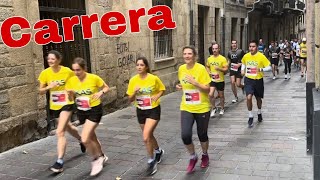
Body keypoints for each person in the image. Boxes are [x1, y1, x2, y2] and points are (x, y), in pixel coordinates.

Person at [38, 50, 85, 173]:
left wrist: (72, 92)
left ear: (59, 60)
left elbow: (77, 82)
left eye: (53, 59)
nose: (50, 61)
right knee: (68, 127)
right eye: (48, 59)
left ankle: (59, 162)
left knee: (60, 132)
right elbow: (41, 91)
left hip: (67, 103)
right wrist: (49, 87)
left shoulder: (67, 71)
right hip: (55, 106)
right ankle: (81, 140)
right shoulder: (45, 73)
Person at [66, 57, 109, 176]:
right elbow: (70, 99)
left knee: (85, 138)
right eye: (74, 70)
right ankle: (102, 156)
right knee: (92, 137)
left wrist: (101, 92)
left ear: (84, 68)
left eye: (78, 70)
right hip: (81, 111)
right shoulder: (71, 81)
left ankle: (96, 159)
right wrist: (70, 94)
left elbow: (106, 87)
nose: (76, 73)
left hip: (94, 110)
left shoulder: (93, 78)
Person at [126, 57, 165, 175]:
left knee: (145, 136)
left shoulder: (154, 78)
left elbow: (162, 89)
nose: (139, 67)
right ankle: (158, 151)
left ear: (146, 67)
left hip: (153, 109)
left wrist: (157, 96)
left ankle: (151, 161)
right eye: (137, 65)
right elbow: (130, 99)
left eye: (141, 65)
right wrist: (134, 92)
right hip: (141, 110)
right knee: (149, 135)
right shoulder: (133, 80)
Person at [176, 46, 211, 173]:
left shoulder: (201, 69)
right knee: (185, 135)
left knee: (202, 134)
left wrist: (195, 83)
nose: (186, 56)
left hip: (202, 107)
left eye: (189, 53)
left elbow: (207, 89)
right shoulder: (181, 69)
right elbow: (185, 84)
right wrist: (181, 86)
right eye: (184, 53)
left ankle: (205, 154)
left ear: (194, 55)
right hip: (186, 106)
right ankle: (193, 156)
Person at [241, 40, 271, 128]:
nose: (251, 48)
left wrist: (261, 70)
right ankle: (250, 115)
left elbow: (268, 67)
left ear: (257, 47)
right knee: (249, 97)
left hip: (258, 80)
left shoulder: (261, 56)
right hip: (248, 80)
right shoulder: (246, 56)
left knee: (258, 99)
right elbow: (243, 63)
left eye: (253, 46)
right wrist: (242, 70)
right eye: (250, 46)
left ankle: (259, 112)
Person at [206, 43, 229, 116]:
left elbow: (226, 69)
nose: (214, 50)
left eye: (216, 48)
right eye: (213, 49)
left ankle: (222, 108)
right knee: (210, 94)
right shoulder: (209, 58)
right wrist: (209, 72)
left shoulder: (222, 58)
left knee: (221, 95)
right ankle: (213, 108)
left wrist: (219, 68)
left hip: (220, 80)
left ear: (219, 49)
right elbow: (207, 66)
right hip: (212, 80)